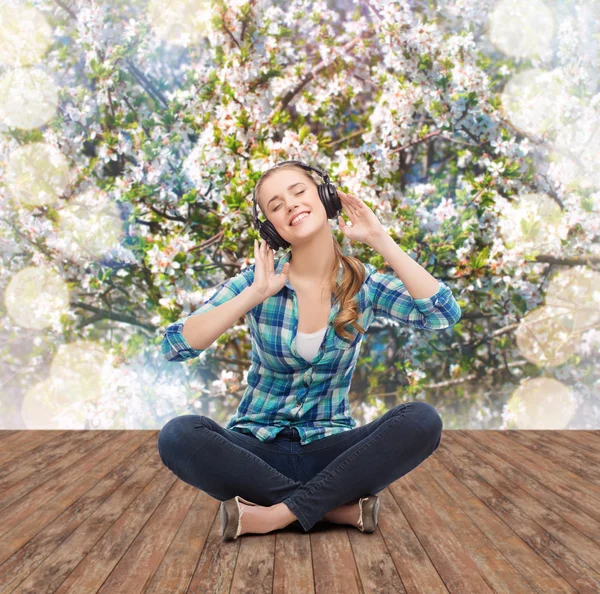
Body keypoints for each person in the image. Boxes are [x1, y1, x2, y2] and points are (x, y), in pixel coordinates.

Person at [158, 162, 461, 539]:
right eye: (275, 205)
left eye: (299, 192)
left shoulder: (364, 286)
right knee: (177, 435)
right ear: (271, 226)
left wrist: (381, 238)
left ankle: (274, 514)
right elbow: (175, 345)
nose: (290, 205)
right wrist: (253, 295)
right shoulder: (258, 282)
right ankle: (330, 509)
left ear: (324, 197)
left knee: (422, 420)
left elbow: (442, 314)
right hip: (255, 451)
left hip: (331, 451)